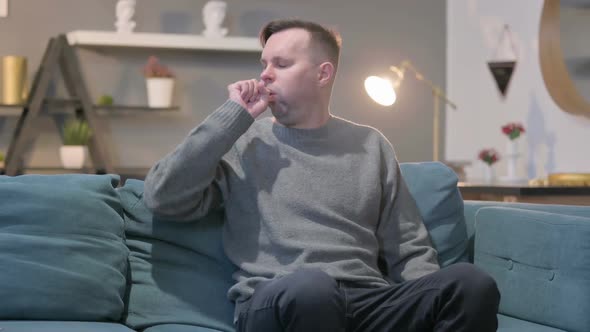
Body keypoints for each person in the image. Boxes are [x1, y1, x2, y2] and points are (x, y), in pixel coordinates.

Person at [143, 19, 500, 332]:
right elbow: (162, 195)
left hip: (367, 302)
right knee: (313, 289)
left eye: (281, 64)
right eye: (264, 63)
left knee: (471, 283)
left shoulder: (371, 145)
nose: (265, 73)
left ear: (323, 73)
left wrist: (423, 307)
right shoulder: (244, 142)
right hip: (278, 300)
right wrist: (230, 118)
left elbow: (408, 248)